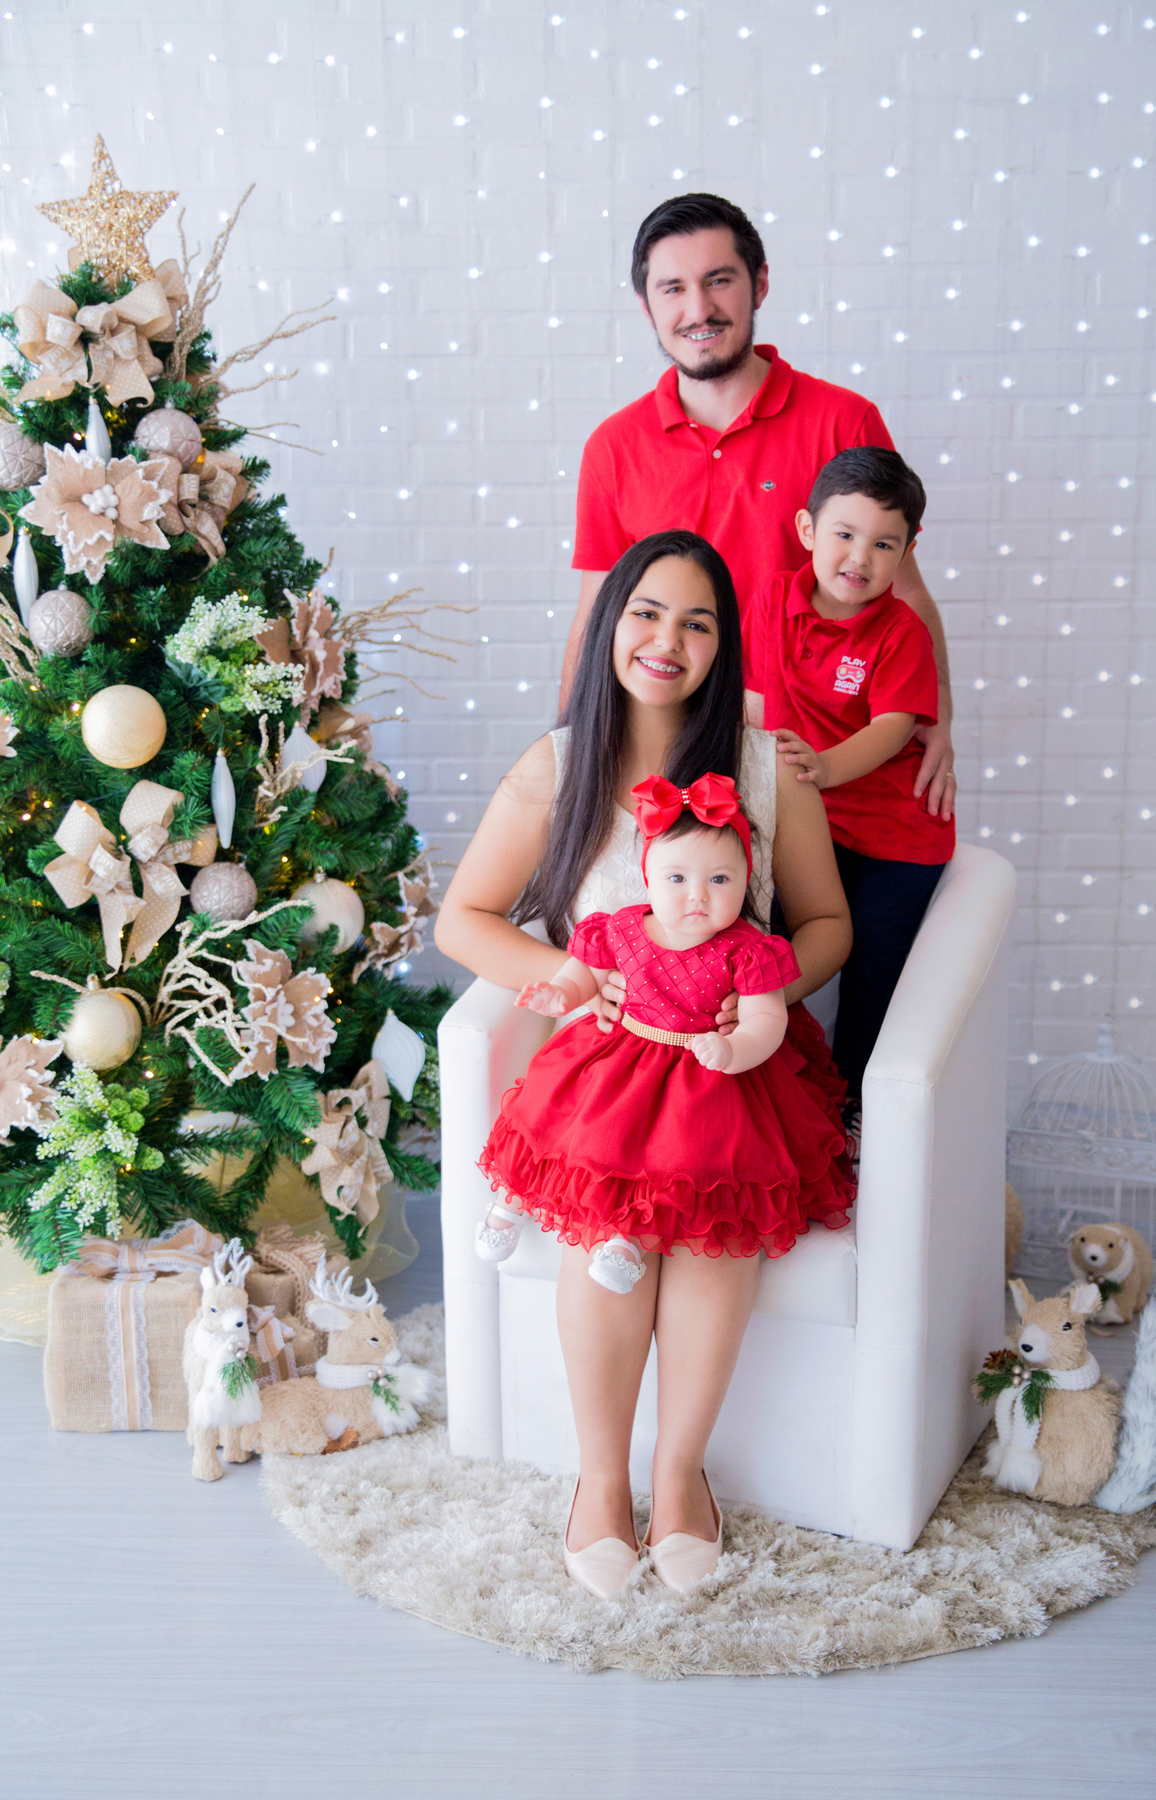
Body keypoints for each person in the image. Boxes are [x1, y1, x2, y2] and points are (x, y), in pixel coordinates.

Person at [436, 529, 854, 1600]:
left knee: (712, 1230)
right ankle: (599, 1481)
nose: (669, 639)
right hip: (611, 1064)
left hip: (732, 1061)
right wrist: (564, 977)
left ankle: (679, 1476)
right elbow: (464, 920)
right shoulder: (558, 764)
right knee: (612, 1233)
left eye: (699, 622)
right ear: (609, 626)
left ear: (723, 648)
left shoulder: (761, 764)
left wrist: (756, 998)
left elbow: (825, 925)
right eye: (647, 614)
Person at [563, 190, 956, 821]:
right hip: (666, 759)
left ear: (760, 284)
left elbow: (902, 591)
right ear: (646, 306)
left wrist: (937, 711)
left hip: (812, 762)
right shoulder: (613, 446)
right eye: (672, 288)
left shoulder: (844, 421)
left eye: (719, 280)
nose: (698, 309)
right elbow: (595, 620)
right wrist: (571, 752)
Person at [475, 775, 849, 1318]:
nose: (698, 895)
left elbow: (768, 1019)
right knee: (570, 1128)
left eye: (720, 879)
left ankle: (625, 1239)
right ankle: (507, 1206)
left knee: (675, 1158)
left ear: (746, 880)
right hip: (622, 1054)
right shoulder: (621, 929)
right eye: (677, 877)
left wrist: (737, 1048)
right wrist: (560, 994)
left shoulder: (750, 952)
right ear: (647, 876)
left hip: (705, 1071)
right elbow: (586, 976)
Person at [745, 446, 956, 1125]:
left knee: (871, 971)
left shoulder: (900, 632)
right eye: (843, 534)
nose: (858, 558)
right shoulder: (773, 599)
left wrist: (828, 766)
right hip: (808, 820)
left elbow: (895, 725)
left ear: (908, 550)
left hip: (895, 833)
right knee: (772, 947)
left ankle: (856, 1114)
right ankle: (774, 1091)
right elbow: (750, 696)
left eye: (883, 544)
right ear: (808, 530)